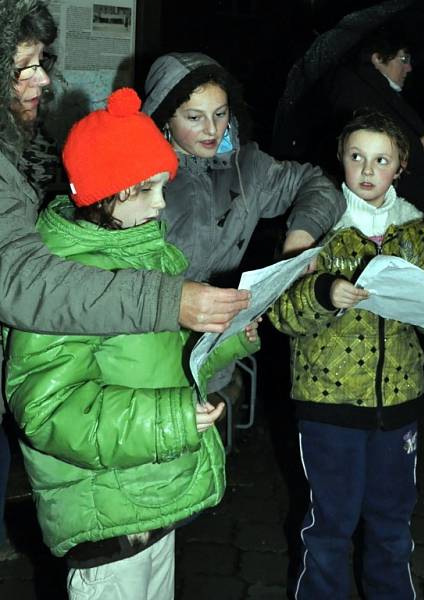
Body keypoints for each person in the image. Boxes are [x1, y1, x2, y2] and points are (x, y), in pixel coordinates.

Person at [0, 2, 248, 563]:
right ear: (106, 195)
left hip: (149, 497)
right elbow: (48, 406)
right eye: (24, 66)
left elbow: (161, 353)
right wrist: (169, 419)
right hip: (102, 515)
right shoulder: (70, 260)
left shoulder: (144, 246)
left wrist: (232, 332)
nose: (42, 78)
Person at [267, 110, 424, 599]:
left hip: (398, 406)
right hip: (328, 406)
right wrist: (322, 294)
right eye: (357, 157)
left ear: (400, 167)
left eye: (381, 160)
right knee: (330, 526)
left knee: (392, 525)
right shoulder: (319, 226)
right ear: (341, 161)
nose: (368, 170)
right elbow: (279, 312)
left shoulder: (416, 231)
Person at [142, 52, 344, 397]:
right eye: (194, 117)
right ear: (164, 117)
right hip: (144, 364)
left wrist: (301, 235)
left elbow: (318, 184)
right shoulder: (137, 174)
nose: (211, 129)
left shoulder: (246, 166)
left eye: (220, 114)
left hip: (217, 360)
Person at [328, 27, 424, 232]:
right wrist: (419, 147)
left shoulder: (378, 90)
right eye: (403, 59)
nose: (408, 67)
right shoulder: (361, 94)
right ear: (378, 59)